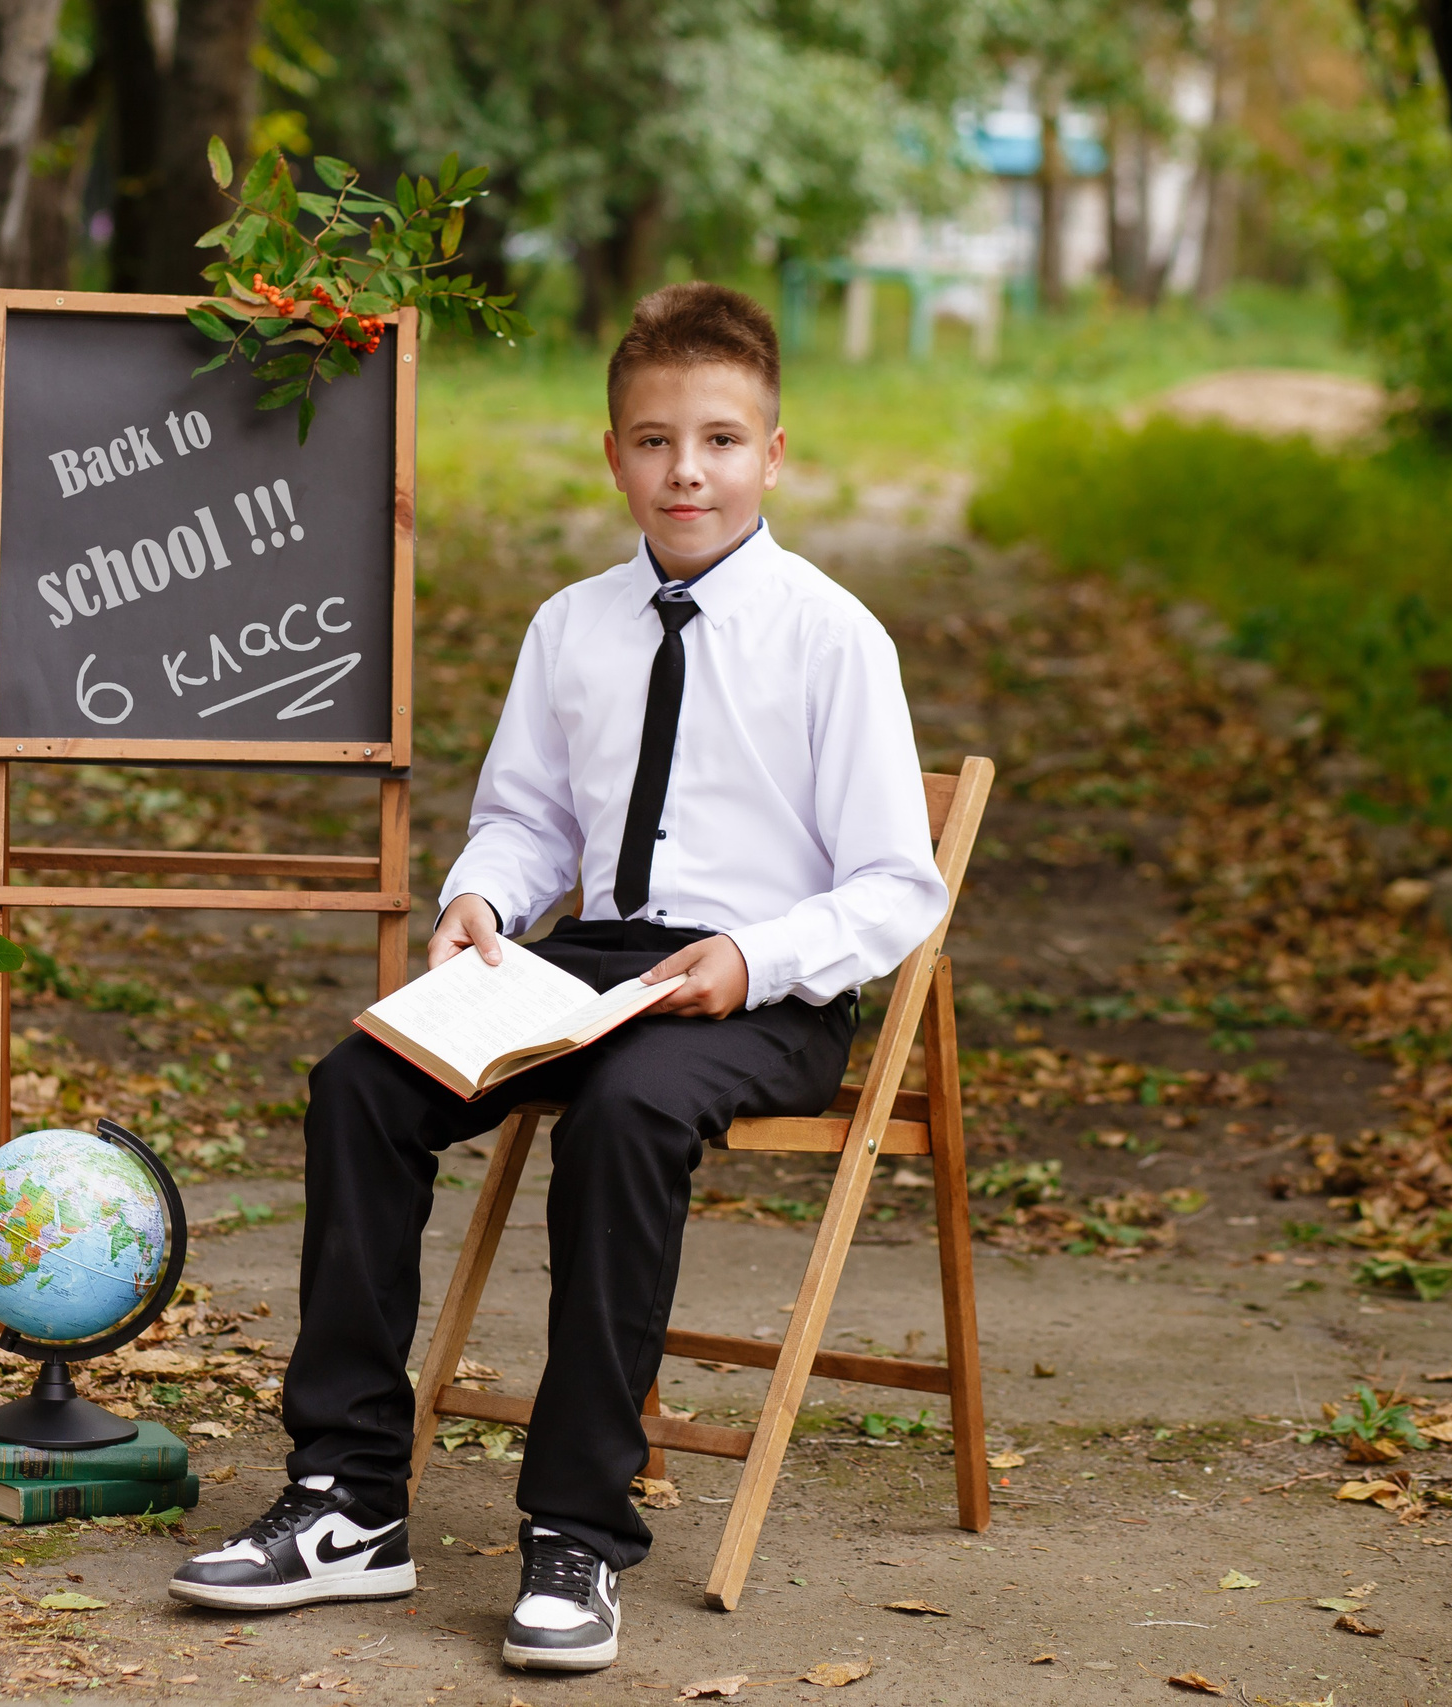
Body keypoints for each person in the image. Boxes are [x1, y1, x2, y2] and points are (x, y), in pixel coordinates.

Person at [166, 282, 949, 1671]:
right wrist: (481, 898)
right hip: (590, 965)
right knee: (361, 1084)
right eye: (656, 441)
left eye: (720, 440)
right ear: (614, 456)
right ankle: (349, 1499)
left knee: (629, 1112)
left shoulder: (834, 638)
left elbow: (897, 884)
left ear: (774, 455)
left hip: (764, 994)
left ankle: (576, 1528)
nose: (687, 470)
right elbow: (529, 820)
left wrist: (754, 957)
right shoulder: (572, 626)